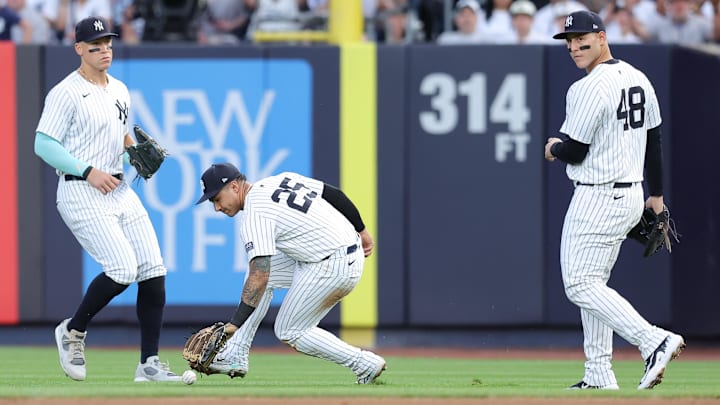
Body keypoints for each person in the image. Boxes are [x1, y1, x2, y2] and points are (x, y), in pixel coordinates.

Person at [544, 10, 685, 390]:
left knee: (578, 285)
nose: (574, 47)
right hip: (631, 193)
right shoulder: (638, 77)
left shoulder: (587, 87)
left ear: (602, 37)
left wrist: (554, 147)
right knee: (595, 284)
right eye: (569, 41)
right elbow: (653, 143)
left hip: (598, 195)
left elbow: (575, 150)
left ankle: (652, 340)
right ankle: (599, 374)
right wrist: (656, 197)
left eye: (582, 39)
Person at [34, 16, 181, 383]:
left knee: (153, 270)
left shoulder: (119, 89)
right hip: (80, 189)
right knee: (122, 270)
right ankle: (73, 331)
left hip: (119, 190)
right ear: (79, 49)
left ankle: (148, 364)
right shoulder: (65, 92)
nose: (104, 51)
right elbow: (43, 144)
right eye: (95, 46)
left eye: (108, 44)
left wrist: (136, 153)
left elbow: (123, 137)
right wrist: (88, 170)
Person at [195, 162, 385, 384]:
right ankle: (235, 354)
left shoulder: (255, 215)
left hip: (333, 264)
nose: (216, 208)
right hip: (336, 253)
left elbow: (260, 276)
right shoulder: (280, 180)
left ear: (235, 187)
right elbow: (334, 194)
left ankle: (364, 364)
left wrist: (234, 325)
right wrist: (361, 230)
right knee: (257, 276)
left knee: (289, 330)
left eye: (216, 199)